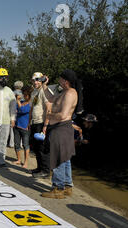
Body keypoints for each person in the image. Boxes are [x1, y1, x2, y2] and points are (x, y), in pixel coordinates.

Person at [41, 69, 79, 199]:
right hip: (59, 128)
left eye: (60, 78)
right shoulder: (64, 92)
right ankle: (67, 186)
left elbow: (63, 115)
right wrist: (44, 85)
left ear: (65, 81)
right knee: (65, 157)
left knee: (58, 157)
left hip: (61, 128)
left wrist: (50, 115)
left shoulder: (70, 94)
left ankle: (58, 188)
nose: (59, 80)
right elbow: (51, 98)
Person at [29, 72, 51, 178]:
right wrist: (29, 122)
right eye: (34, 80)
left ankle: (46, 171)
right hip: (34, 122)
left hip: (41, 123)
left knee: (42, 148)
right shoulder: (34, 92)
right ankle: (39, 168)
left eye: (38, 79)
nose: (36, 82)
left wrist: (45, 126)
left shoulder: (43, 91)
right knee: (36, 147)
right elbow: (32, 108)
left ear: (42, 80)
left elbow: (48, 108)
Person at [13, 86, 33, 169]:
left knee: (25, 145)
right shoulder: (22, 102)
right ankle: (18, 159)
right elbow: (16, 109)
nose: (24, 96)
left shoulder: (31, 104)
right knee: (16, 144)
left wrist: (17, 101)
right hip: (17, 125)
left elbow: (22, 110)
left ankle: (26, 162)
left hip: (25, 127)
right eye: (24, 94)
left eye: (26, 95)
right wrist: (18, 103)